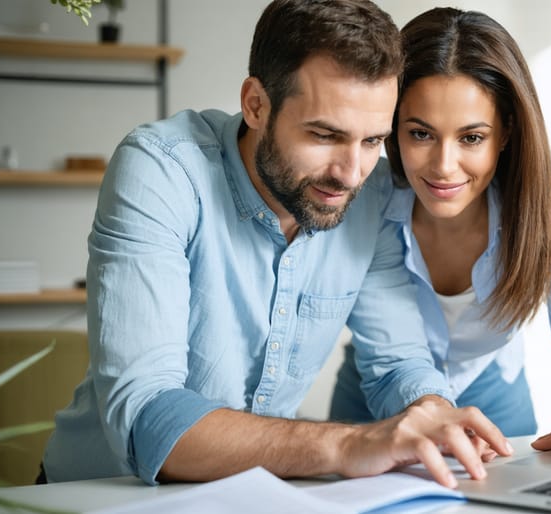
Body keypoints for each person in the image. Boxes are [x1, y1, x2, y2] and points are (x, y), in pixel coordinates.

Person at [40, 0, 512, 489]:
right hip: (98, 496)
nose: (351, 173)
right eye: (325, 135)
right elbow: (146, 413)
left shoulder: (368, 196)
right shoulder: (161, 170)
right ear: (256, 105)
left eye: (373, 140)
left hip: (252, 496)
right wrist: (348, 444)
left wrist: (432, 413)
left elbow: (398, 364)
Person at [330, 7, 551, 459]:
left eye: (472, 137)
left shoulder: (548, 192)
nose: (444, 166)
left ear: (505, 133)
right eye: (421, 133)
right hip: (375, 402)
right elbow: (395, 360)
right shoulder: (369, 199)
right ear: (390, 129)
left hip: (496, 398)